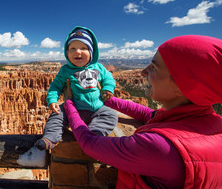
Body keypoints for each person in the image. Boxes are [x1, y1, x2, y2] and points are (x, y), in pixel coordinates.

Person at [63, 35, 222, 188]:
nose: (143, 72)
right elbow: (150, 115)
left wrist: (69, 103)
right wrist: (108, 99)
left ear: (183, 86)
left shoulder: (159, 148)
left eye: (154, 67)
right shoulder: (211, 123)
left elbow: (90, 144)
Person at [35, 26, 118, 151]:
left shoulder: (98, 67)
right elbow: (55, 86)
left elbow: (108, 78)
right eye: (72, 49)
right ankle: (50, 138)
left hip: (96, 109)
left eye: (83, 48)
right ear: (67, 53)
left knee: (111, 115)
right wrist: (52, 100)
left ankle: (96, 133)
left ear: (91, 51)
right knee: (56, 116)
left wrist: (108, 88)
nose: (77, 52)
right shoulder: (65, 70)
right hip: (72, 109)